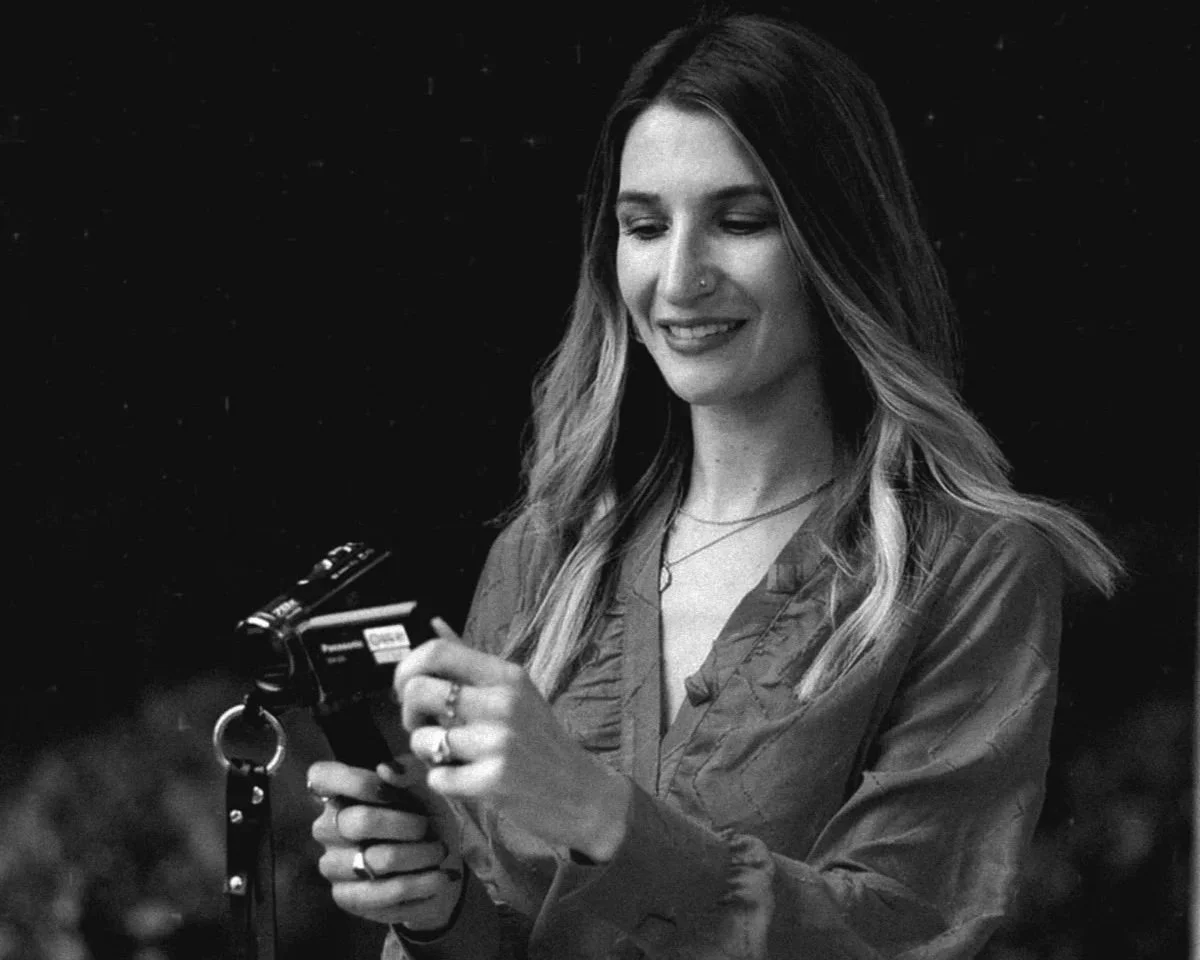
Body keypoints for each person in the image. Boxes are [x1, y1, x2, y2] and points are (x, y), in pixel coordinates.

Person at [306, 13, 1120, 959]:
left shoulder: (972, 567)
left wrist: (600, 811)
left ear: (833, 243)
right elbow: (506, 935)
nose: (681, 276)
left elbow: (905, 932)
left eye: (741, 221)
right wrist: (435, 906)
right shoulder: (547, 557)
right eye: (645, 225)